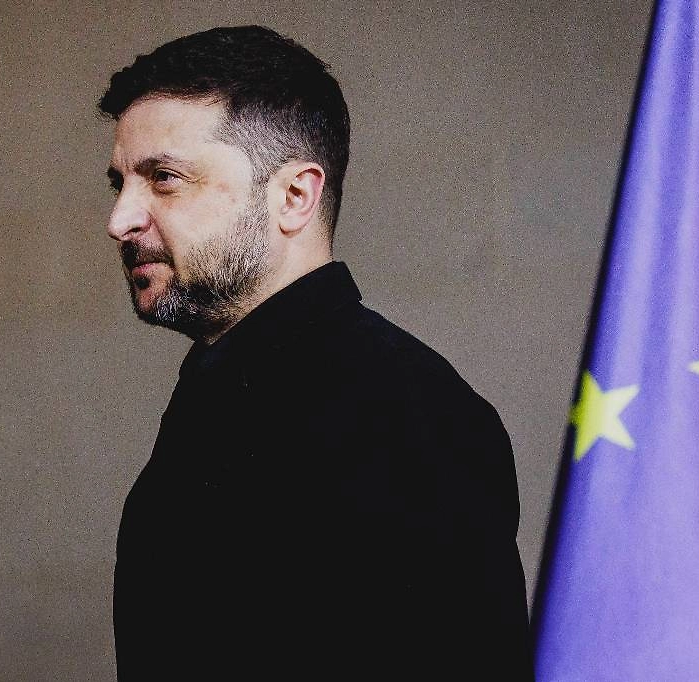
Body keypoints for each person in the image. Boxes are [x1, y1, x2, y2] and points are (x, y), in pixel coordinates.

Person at [99, 26, 532, 679]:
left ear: (294, 197)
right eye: (120, 183)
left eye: (164, 178)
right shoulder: (218, 397)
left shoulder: (407, 414)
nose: (121, 220)